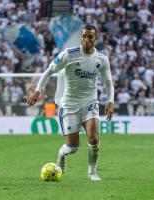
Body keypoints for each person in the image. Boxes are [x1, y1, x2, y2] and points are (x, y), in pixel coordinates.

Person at [27, 24, 114, 181]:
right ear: (81, 37)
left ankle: (92, 172)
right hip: (69, 105)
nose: (86, 39)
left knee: (94, 138)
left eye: (90, 37)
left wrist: (110, 101)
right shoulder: (69, 54)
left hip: (90, 103)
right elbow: (48, 71)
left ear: (96, 38)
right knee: (72, 148)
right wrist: (38, 91)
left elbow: (108, 82)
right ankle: (61, 155)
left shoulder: (102, 59)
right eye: (84, 36)